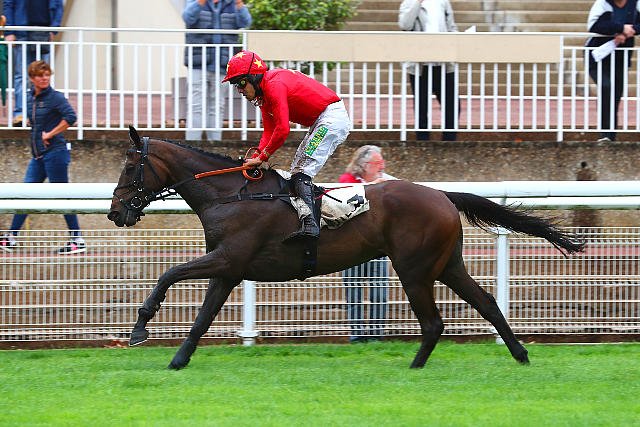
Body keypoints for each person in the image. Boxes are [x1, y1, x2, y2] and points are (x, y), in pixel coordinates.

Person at [223, 50, 352, 241]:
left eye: (241, 83)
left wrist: (262, 157)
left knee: (301, 172)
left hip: (331, 119)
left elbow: (283, 129)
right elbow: (269, 131)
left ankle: (311, 226)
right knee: (297, 172)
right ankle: (309, 220)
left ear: (254, 77)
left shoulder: (274, 86)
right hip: (323, 120)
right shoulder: (264, 95)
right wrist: (257, 157)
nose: (240, 90)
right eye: (235, 85)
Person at [0, 60, 85, 255]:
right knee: (25, 196)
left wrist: (50, 134)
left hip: (56, 154)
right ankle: (11, 238)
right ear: (32, 78)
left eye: (47, 75)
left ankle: (77, 239)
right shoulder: (31, 98)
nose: (44, 78)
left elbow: (70, 117)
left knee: (62, 197)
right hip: (38, 156)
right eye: (40, 75)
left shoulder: (55, 97)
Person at [339, 145, 390, 342]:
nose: (381, 166)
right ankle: (357, 335)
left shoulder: (386, 181)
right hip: (352, 248)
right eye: (377, 163)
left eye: (382, 162)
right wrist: (374, 186)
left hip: (378, 247)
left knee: (379, 293)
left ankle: (376, 335)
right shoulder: (347, 180)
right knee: (354, 293)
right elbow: (345, 202)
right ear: (364, 165)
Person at [182, 0, 251, 141]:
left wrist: (239, 3)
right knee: (196, 105)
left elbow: (245, 22)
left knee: (217, 106)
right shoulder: (194, 2)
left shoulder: (231, 3)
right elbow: (188, 17)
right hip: (198, 62)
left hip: (222, 63)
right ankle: (191, 145)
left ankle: (214, 144)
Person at [398, 0, 459, 141]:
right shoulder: (409, 3)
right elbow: (405, 25)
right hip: (420, 65)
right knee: (421, 106)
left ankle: (449, 140)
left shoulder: (443, 2)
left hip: (443, 63)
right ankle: (422, 140)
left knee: (452, 104)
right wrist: (417, 3)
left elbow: (451, 27)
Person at [586, 0, 640, 142]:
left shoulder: (636, 4)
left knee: (615, 95)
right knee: (606, 87)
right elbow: (593, 25)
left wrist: (630, 31)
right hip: (598, 56)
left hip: (620, 58)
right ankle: (605, 134)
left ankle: (610, 136)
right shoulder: (602, 3)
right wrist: (621, 28)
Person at [3, 0, 64, 126]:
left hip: (44, 32)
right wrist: (9, 31)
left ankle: (40, 114)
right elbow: (9, 4)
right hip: (22, 31)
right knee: (22, 75)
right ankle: (20, 114)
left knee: (43, 76)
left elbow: (58, 5)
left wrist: (54, 29)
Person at [572, 161, 602, 228]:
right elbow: (593, 180)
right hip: (589, 192)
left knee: (580, 214)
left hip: (582, 193)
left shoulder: (580, 173)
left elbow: (578, 181)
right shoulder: (590, 172)